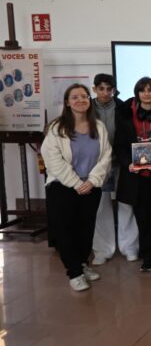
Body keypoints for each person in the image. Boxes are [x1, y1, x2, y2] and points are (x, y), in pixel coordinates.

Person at [41, 84, 113, 291]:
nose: (81, 100)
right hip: (63, 186)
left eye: (84, 96)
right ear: (67, 102)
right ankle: (74, 273)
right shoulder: (57, 128)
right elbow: (53, 160)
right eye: (75, 97)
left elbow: (106, 156)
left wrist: (92, 181)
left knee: (86, 229)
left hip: (91, 186)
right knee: (66, 230)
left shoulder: (98, 126)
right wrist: (77, 183)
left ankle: (82, 263)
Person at [114, 77, 151, 272]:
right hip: (136, 177)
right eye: (142, 90)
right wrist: (127, 164)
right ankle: (148, 254)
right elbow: (119, 145)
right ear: (137, 93)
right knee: (143, 218)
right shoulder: (124, 113)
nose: (147, 94)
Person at [90, 73, 138, 265]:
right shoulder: (87, 108)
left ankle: (130, 247)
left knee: (126, 203)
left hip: (122, 162)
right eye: (101, 89)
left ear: (114, 90)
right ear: (94, 89)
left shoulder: (124, 107)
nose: (105, 93)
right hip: (97, 164)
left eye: (109, 89)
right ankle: (102, 250)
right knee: (101, 206)